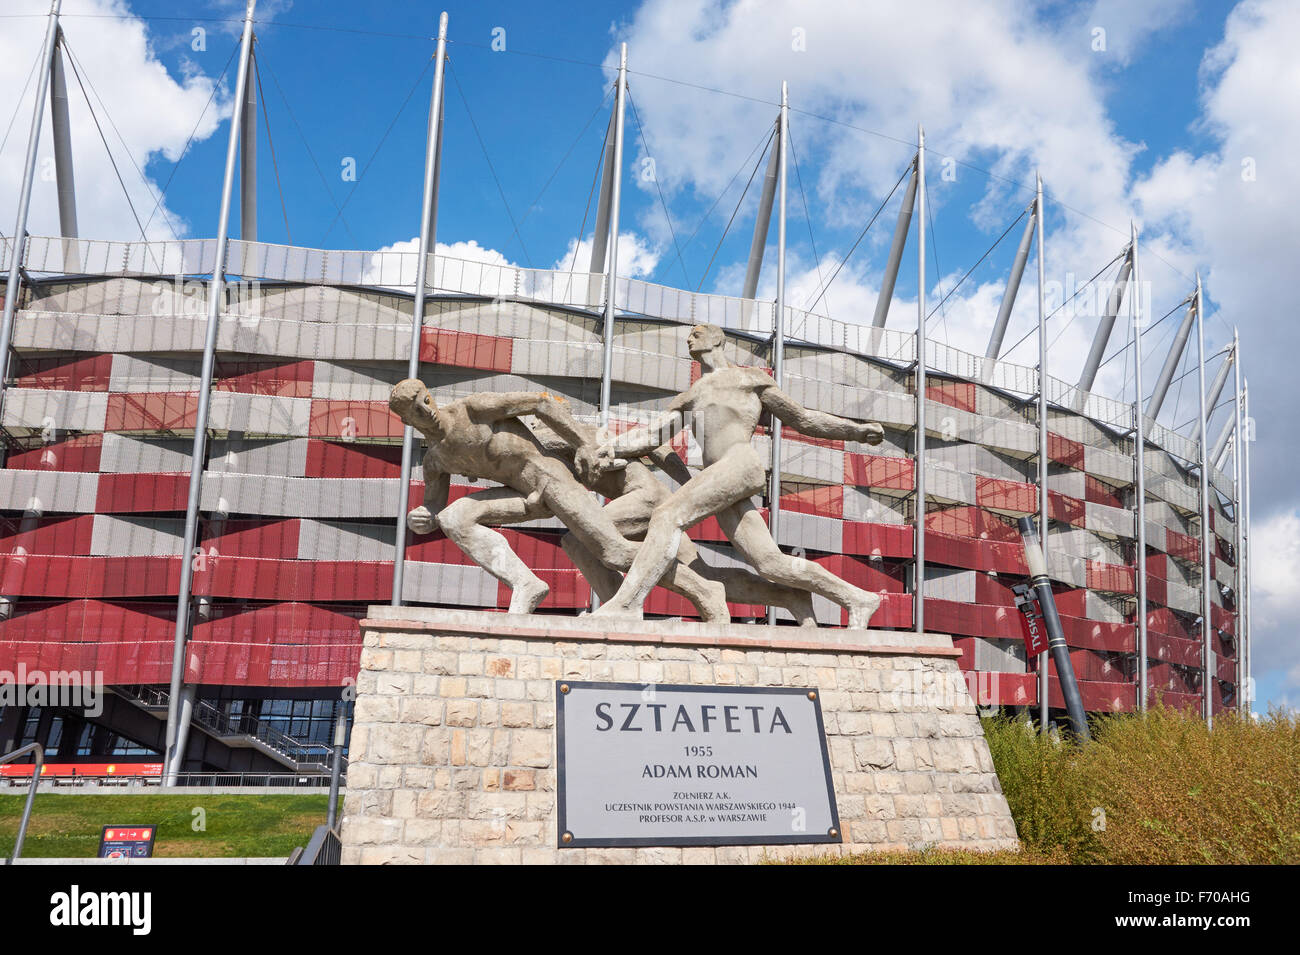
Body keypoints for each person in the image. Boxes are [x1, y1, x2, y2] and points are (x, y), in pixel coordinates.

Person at [582, 323, 886, 628]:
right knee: (770, 563)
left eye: (697, 334)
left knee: (666, 515)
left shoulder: (749, 379)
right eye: (688, 335)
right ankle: (857, 598)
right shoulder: (691, 396)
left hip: (739, 462)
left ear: (717, 340)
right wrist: (612, 448)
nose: (689, 338)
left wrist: (856, 431)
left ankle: (628, 603)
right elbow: (652, 436)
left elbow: (803, 419)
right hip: (720, 476)